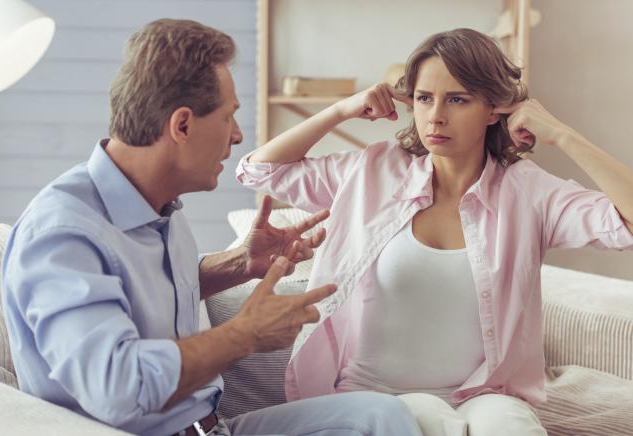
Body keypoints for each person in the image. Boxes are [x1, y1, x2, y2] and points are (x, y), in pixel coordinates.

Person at [0, 19, 424, 436]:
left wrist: (240, 263)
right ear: (182, 125)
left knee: (379, 417)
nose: (237, 136)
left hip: (213, 427)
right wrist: (245, 334)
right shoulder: (61, 235)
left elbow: (148, 293)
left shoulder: (159, 205)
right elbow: (117, 389)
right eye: (228, 117)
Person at [236, 28, 633, 436]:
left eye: (457, 99)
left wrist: (564, 136)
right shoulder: (373, 171)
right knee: (426, 414)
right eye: (424, 98)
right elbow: (259, 170)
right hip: (373, 397)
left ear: (493, 109)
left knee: (509, 424)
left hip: (483, 394)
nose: (436, 116)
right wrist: (341, 111)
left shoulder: (526, 192)